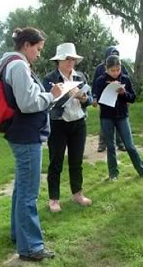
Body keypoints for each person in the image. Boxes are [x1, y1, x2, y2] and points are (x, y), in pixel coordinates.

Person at [0, 27, 62, 261]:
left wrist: (45, 95)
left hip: (19, 133)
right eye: (38, 48)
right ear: (26, 45)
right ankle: (31, 247)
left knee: (21, 188)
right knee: (28, 193)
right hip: (26, 135)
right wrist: (52, 96)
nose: (39, 54)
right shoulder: (19, 66)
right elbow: (27, 103)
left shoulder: (9, 64)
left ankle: (18, 234)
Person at [43, 43, 93, 213]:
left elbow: (90, 99)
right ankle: (54, 199)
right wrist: (68, 94)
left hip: (79, 123)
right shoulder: (50, 79)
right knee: (55, 162)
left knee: (76, 161)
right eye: (67, 58)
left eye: (72, 59)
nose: (70, 62)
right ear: (59, 61)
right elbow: (48, 102)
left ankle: (77, 193)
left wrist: (84, 98)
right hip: (58, 124)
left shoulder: (80, 77)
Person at [94, 55, 143, 181]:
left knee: (130, 145)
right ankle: (113, 174)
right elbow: (98, 99)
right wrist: (108, 91)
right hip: (106, 116)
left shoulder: (125, 79)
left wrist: (123, 93)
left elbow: (132, 98)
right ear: (106, 69)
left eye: (118, 69)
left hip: (122, 116)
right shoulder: (100, 80)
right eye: (112, 70)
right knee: (111, 146)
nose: (115, 73)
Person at [92, 46, 127, 152]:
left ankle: (120, 143)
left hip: (119, 98)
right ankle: (102, 144)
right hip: (105, 99)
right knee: (105, 122)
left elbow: (126, 80)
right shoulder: (100, 68)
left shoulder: (122, 67)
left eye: (117, 55)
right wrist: (94, 97)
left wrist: (126, 94)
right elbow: (95, 83)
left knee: (120, 121)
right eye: (113, 54)